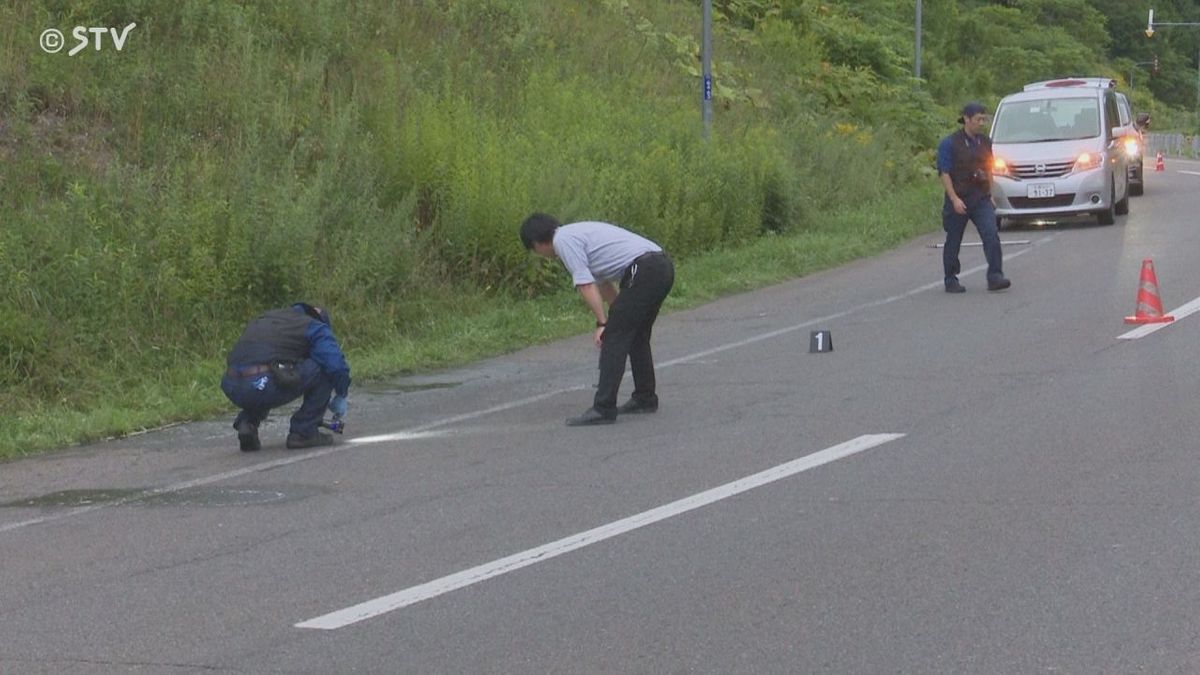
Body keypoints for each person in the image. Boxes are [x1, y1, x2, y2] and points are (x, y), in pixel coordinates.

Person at [520, 213, 675, 426]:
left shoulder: (562, 240)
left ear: (537, 243)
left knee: (615, 339)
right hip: (660, 267)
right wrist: (616, 317)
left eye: (535, 250)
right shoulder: (576, 234)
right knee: (636, 336)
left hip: (644, 270)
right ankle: (644, 398)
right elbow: (603, 285)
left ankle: (604, 408)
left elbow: (585, 285)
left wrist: (604, 324)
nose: (540, 254)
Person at [220, 302, 351, 451]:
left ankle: (247, 424)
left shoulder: (268, 318)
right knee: (323, 368)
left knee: (270, 377)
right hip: (264, 384)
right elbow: (336, 365)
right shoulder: (314, 326)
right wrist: (341, 393)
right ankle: (304, 432)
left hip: (232, 385)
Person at [937, 102, 1011, 293]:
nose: (981, 123)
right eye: (978, 119)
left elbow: (989, 167)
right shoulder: (949, 144)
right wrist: (954, 199)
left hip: (980, 197)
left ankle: (995, 276)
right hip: (959, 197)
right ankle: (950, 278)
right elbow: (944, 173)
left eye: (983, 119)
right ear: (967, 120)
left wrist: (991, 194)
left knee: (991, 233)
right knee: (954, 239)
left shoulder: (985, 142)